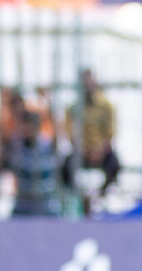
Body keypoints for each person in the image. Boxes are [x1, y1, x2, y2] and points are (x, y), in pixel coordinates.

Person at [65, 69, 121, 211]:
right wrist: (83, 150)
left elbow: (110, 132)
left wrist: (100, 151)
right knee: (65, 168)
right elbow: (71, 133)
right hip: (82, 152)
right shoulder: (73, 108)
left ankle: (98, 196)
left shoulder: (106, 106)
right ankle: (80, 196)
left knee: (114, 165)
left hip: (101, 151)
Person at [3, 109, 62, 216]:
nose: (27, 130)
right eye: (25, 126)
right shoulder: (17, 147)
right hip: (22, 207)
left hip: (47, 207)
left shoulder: (48, 146)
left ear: (37, 127)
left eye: (30, 126)